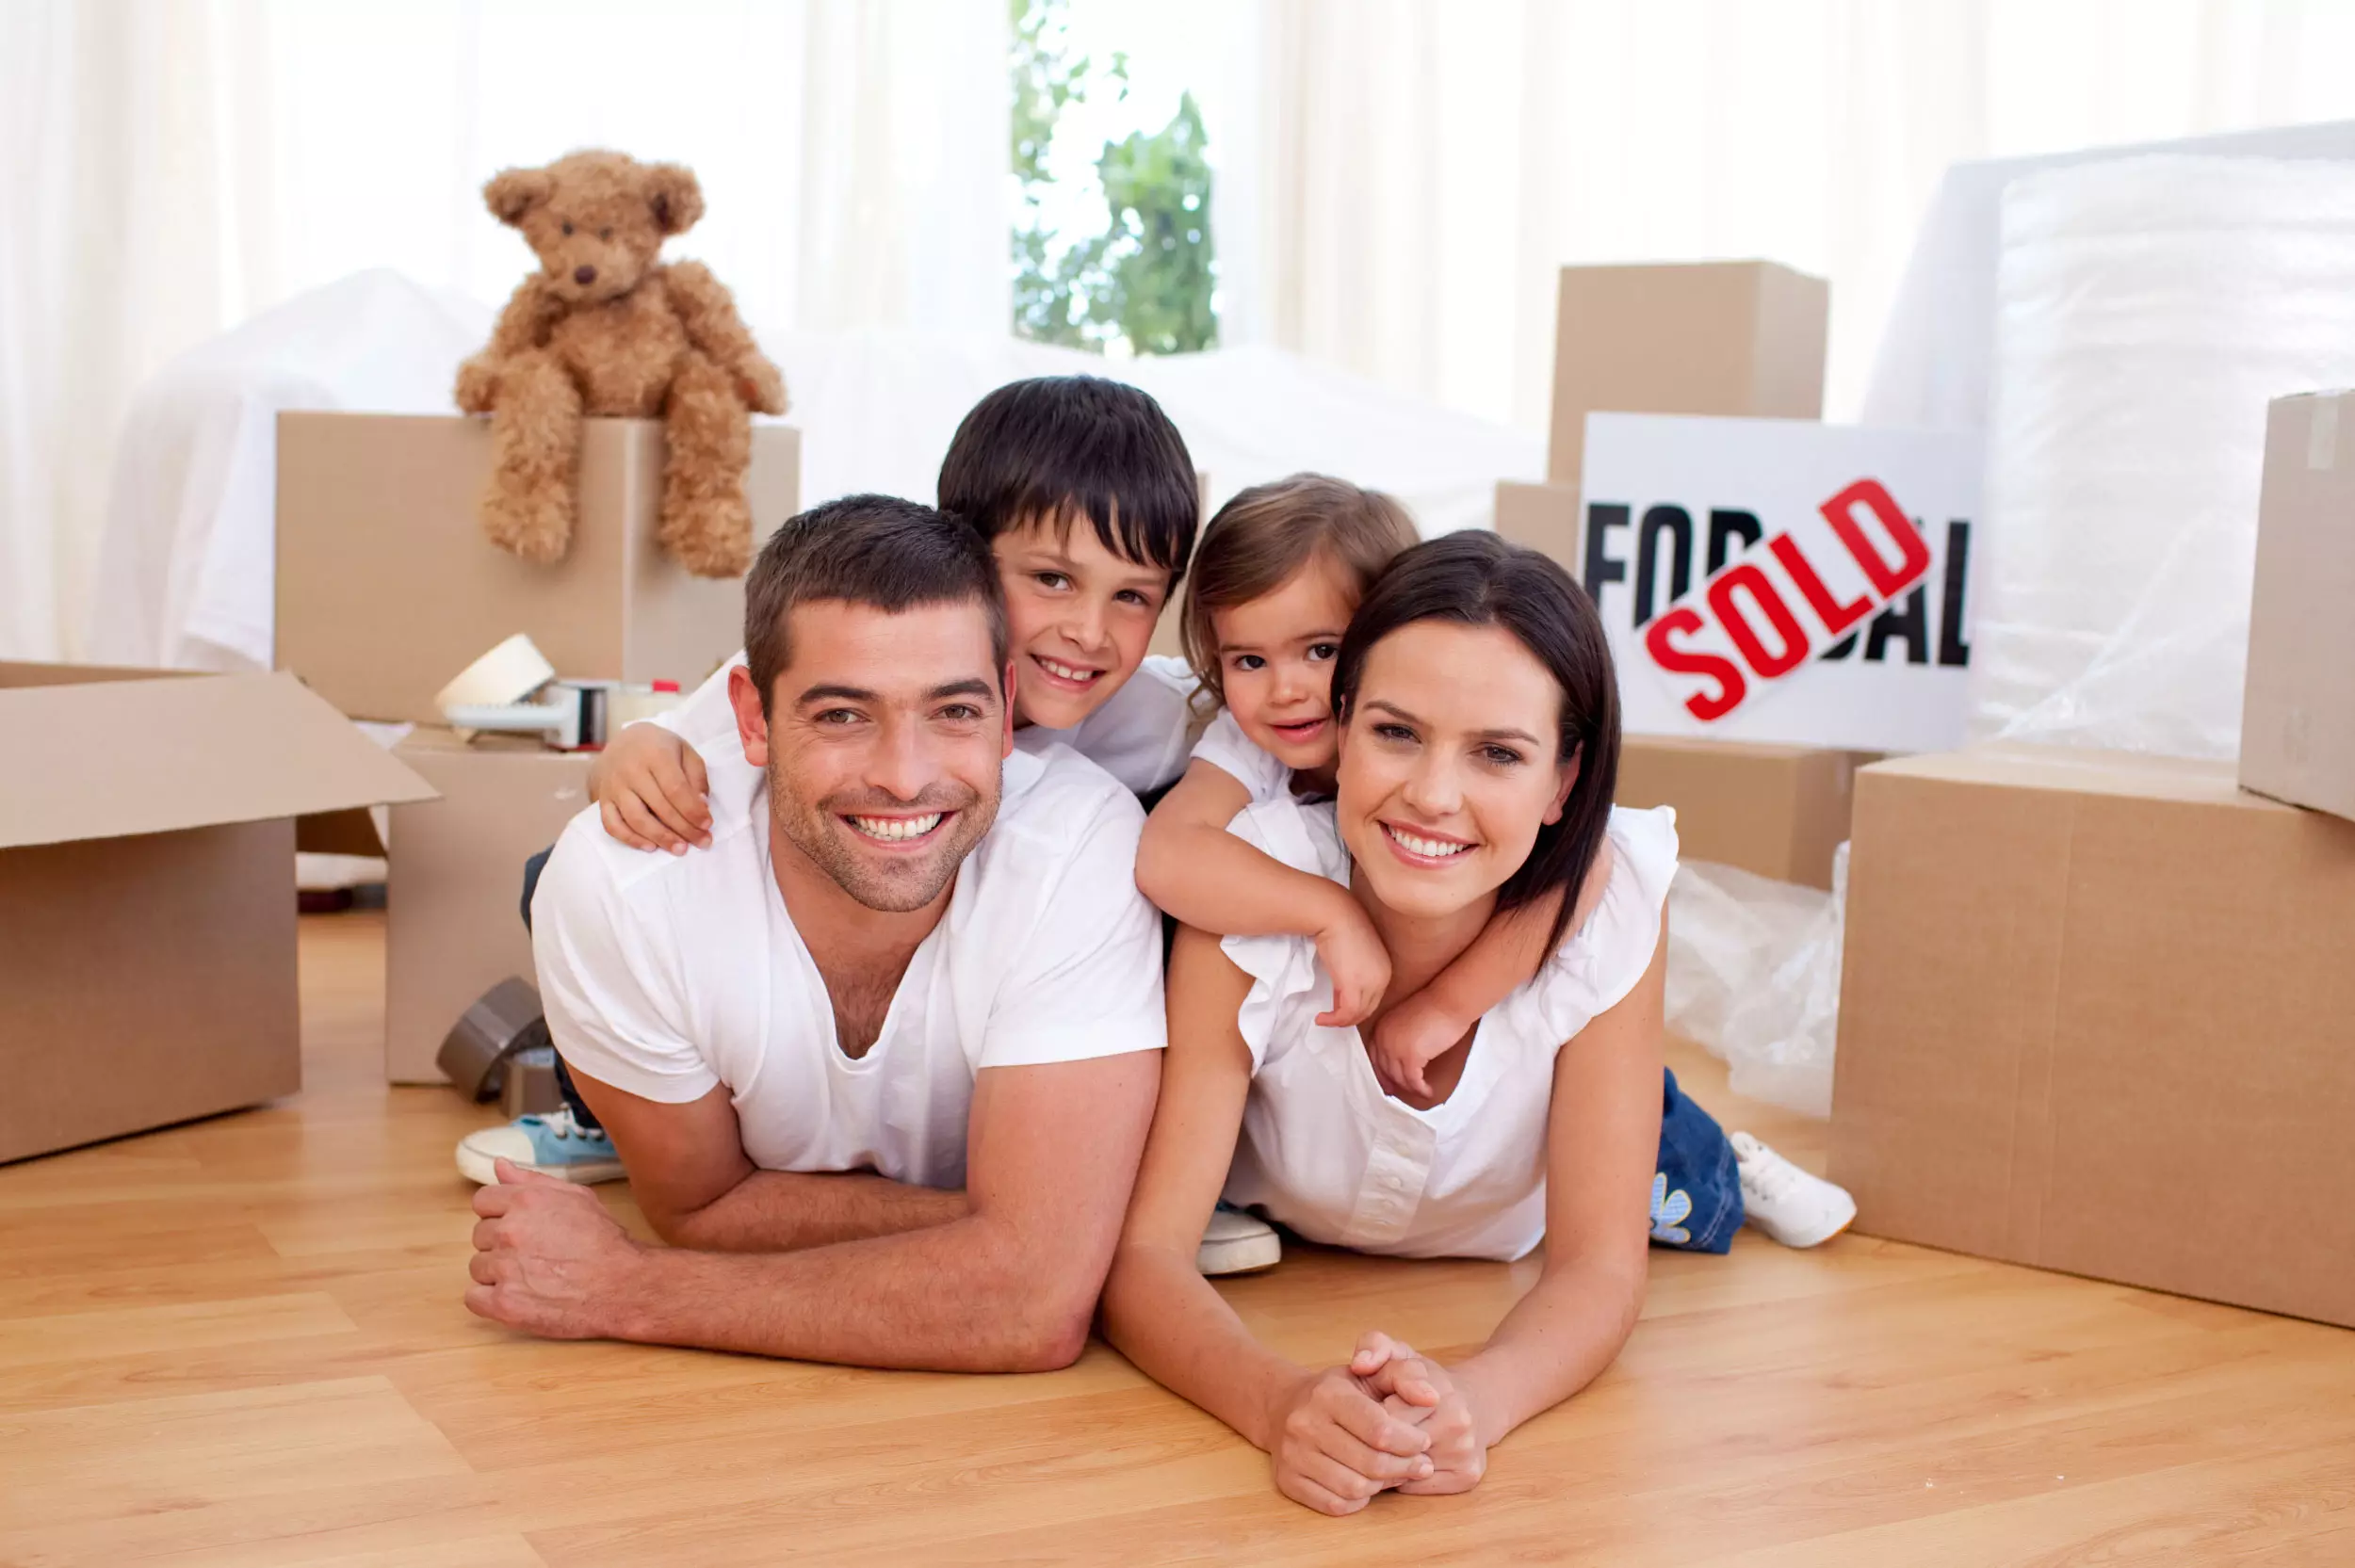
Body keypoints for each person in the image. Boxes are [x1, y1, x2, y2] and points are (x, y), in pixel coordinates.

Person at [1100, 531, 1848, 1515]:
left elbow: (1595, 1269)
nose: (1433, 795)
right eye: (1394, 733)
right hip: (1300, 1225)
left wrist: (1474, 1399)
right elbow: (1145, 1259)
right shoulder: (1250, 892)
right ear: (1337, 728)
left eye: (1497, 753)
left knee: (1679, 1180)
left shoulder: (1611, 903)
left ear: (1563, 784)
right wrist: (1278, 1402)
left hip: (1522, 1224)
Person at [463, 495, 1164, 1371]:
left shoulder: (1083, 838)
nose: (904, 778)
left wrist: (626, 1287)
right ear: (752, 718)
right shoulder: (625, 880)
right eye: (842, 715)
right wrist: (1043, 1231)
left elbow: (1031, 1304)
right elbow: (702, 1209)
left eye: (953, 711)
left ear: (1006, 702)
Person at [455, 375, 1206, 1171]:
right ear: (959, 556)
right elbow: (664, 750)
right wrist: (631, 752)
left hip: (1024, 961)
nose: (1088, 631)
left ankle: (1165, 1154)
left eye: (1132, 596)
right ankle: (612, 1114)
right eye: (1052, 579)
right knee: (560, 873)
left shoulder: (1156, 722)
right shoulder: (829, 662)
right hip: (852, 912)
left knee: (1174, 892)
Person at [1136, 478, 1851, 1257]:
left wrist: (1446, 1008)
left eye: (1322, 650)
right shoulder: (1247, 747)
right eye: (1248, 658)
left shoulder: (1445, 731)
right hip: (1351, 1088)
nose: (1288, 689)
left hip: (1519, 1026)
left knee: (1663, 1153)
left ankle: (1735, 1169)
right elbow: (1170, 853)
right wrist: (1326, 910)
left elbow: (1583, 884)